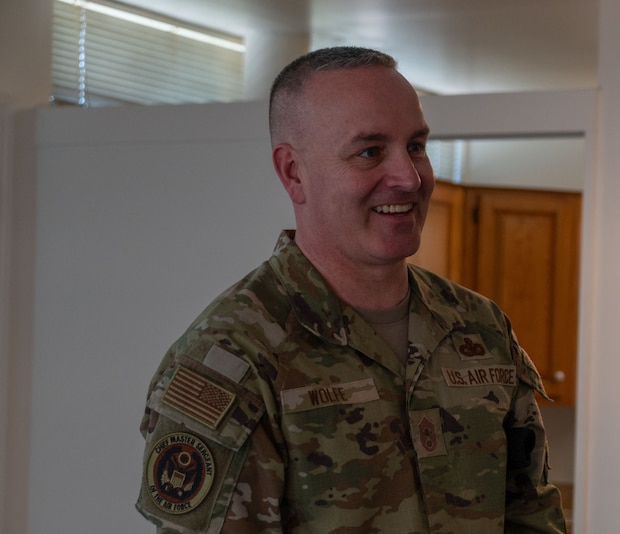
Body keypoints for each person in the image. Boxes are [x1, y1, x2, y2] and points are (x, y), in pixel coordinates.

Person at [136, 46, 568, 533]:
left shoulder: (479, 327)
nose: (409, 178)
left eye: (416, 146)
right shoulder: (235, 357)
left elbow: (533, 515)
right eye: (370, 152)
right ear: (294, 172)